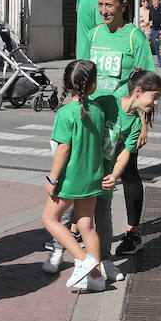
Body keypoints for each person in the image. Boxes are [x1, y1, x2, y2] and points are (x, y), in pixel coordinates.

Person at [86, 0, 154, 256]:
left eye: (109, 5)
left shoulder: (133, 37)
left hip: (124, 120)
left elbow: (147, 83)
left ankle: (133, 232)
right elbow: (83, 74)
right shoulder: (94, 34)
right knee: (92, 172)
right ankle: (86, 227)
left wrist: (144, 124)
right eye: (101, 4)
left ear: (123, 5)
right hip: (94, 118)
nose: (104, 10)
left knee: (127, 172)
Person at [84, 69, 161, 290]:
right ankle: (63, 252)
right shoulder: (107, 103)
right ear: (138, 91)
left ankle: (106, 261)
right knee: (74, 217)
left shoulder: (136, 124)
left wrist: (115, 175)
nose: (156, 103)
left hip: (105, 174)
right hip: (85, 170)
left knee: (103, 218)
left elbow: (125, 153)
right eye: (154, 96)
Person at [41, 60, 106, 290]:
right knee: (86, 225)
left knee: (50, 219)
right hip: (92, 176)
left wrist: (52, 179)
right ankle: (97, 278)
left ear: (67, 85)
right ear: (92, 86)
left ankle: (82, 260)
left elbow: (63, 149)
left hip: (70, 179)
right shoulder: (97, 110)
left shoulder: (66, 113)